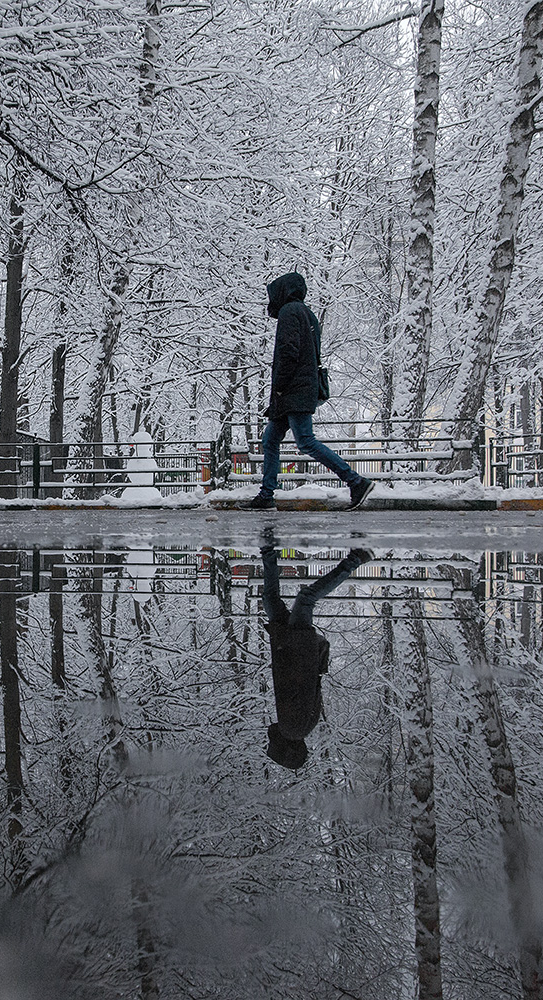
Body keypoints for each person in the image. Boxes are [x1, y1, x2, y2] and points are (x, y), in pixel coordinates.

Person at [241, 272, 374, 511]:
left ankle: (356, 481)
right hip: (297, 390)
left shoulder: (289, 312)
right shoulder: (307, 314)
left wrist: (280, 388)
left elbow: (289, 353)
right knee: (270, 439)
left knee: (305, 441)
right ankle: (266, 494)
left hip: (293, 391)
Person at [261, 542, 372, 769]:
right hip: (295, 648)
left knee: (271, 601)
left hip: (294, 648)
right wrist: (288, 646)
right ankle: (356, 560)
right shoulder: (292, 728)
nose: (270, 742)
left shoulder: (300, 727)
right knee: (305, 598)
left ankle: (269, 551)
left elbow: (310, 686)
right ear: (286, 749)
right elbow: (295, 682)